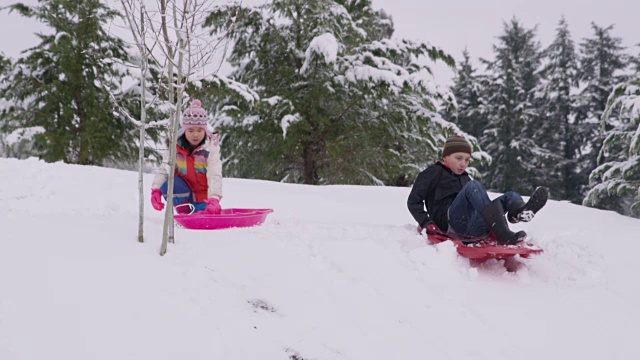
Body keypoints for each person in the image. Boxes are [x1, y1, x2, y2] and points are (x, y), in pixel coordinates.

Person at [406, 135, 548, 244]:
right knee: (474, 186)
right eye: (459, 158)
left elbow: (481, 205)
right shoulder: (433, 172)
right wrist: (426, 222)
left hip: (474, 226)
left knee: (510, 196)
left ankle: (518, 213)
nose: (463, 163)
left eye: (467, 160)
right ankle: (503, 233)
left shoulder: (465, 178)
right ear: (445, 157)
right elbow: (413, 201)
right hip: (452, 225)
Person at [150, 99, 223, 215]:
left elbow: (215, 175)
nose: (195, 134)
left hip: (204, 198)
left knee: (205, 216)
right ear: (184, 131)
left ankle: (202, 209)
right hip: (184, 195)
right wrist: (156, 190)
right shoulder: (175, 148)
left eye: (199, 130)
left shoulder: (209, 149)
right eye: (191, 130)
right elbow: (164, 169)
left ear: (205, 130)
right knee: (170, 184)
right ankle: (184, 213)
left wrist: (214, 198)